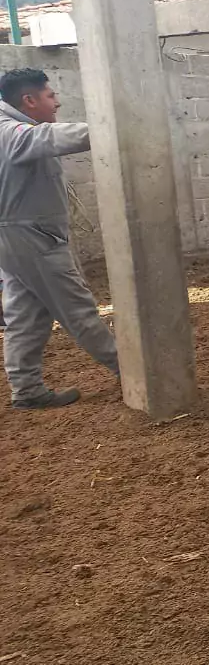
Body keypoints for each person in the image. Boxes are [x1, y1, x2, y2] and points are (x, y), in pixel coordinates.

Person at [0, 68, 118, 410]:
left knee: (25, 314)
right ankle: (134, 370)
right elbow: (48, 139)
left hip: (16, 238)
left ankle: (27, 390)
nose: (57, 101)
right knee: (77, 309)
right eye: (50, 96)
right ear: (29, 100)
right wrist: (111, 126)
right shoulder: (11, 132)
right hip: (32, 238)